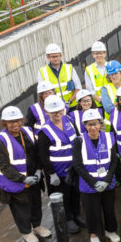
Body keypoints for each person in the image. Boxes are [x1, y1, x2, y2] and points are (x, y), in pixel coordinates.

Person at [0, 106, 50, 242]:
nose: (16, 124)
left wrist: (37, 169)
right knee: (21, 208)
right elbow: (4, 166)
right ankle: (26, 232)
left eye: (18, 121)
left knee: (35, 203)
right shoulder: (1, 140)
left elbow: (36, 153)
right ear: (4, 123)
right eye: (11, 122)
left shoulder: (28, 132)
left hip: (33, 177)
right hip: (16, 182)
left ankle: (36, 226)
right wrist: (23, 178)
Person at [72, 109, 120, 242]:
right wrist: (93, 182)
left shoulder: (110, 137)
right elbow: (78, 165)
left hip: (107, 182)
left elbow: (113, 162)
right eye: (89, 124)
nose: (92, 127)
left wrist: (106, 180)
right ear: (84, 126)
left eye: (95, 124)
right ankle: (94, 235)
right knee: (92, 211)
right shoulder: (78, 141)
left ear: (100, 124)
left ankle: (110, 230)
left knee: (109, 209)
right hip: (88, 185)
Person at [37, 95, 84, 234]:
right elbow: (43, 156)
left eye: (59, 111)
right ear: (47, 112)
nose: (57, 114)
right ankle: (67, 219)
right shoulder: (44, 131)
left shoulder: (69, 120)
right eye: (54, 112)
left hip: (74, 168)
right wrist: (51, 174)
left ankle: (77, 215)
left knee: (75, 193)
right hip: (58, 172)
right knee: (64, 197)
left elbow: (77, 141)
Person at [37, 43, 82, 109]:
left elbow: (78, 87)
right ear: (47, 57)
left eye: (57, 56)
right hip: (54, 108)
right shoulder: (42, 71)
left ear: (61, 55)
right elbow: (41, 93)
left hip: (72, 106)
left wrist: (69, 101)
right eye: (53, 57)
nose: (56, 59)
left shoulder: (69, 68)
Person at [84, 41, 108, 107]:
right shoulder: (88, 69)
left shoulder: (111, 66)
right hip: (97, 104)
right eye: (96, 53)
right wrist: (100, 101)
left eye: (101, 53)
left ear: (105, 54)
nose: (99, 55)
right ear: (93, 55)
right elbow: (90, 89)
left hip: (112, 102)